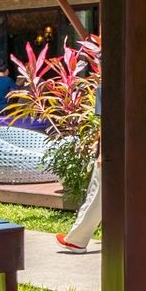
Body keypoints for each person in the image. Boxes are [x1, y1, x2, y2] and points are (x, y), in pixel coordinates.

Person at [57, 84, 102, 254]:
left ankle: (76, 240)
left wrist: (101, 154)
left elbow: (107, 122)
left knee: (97, 195)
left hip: (112, 152)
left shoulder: (106, 87)